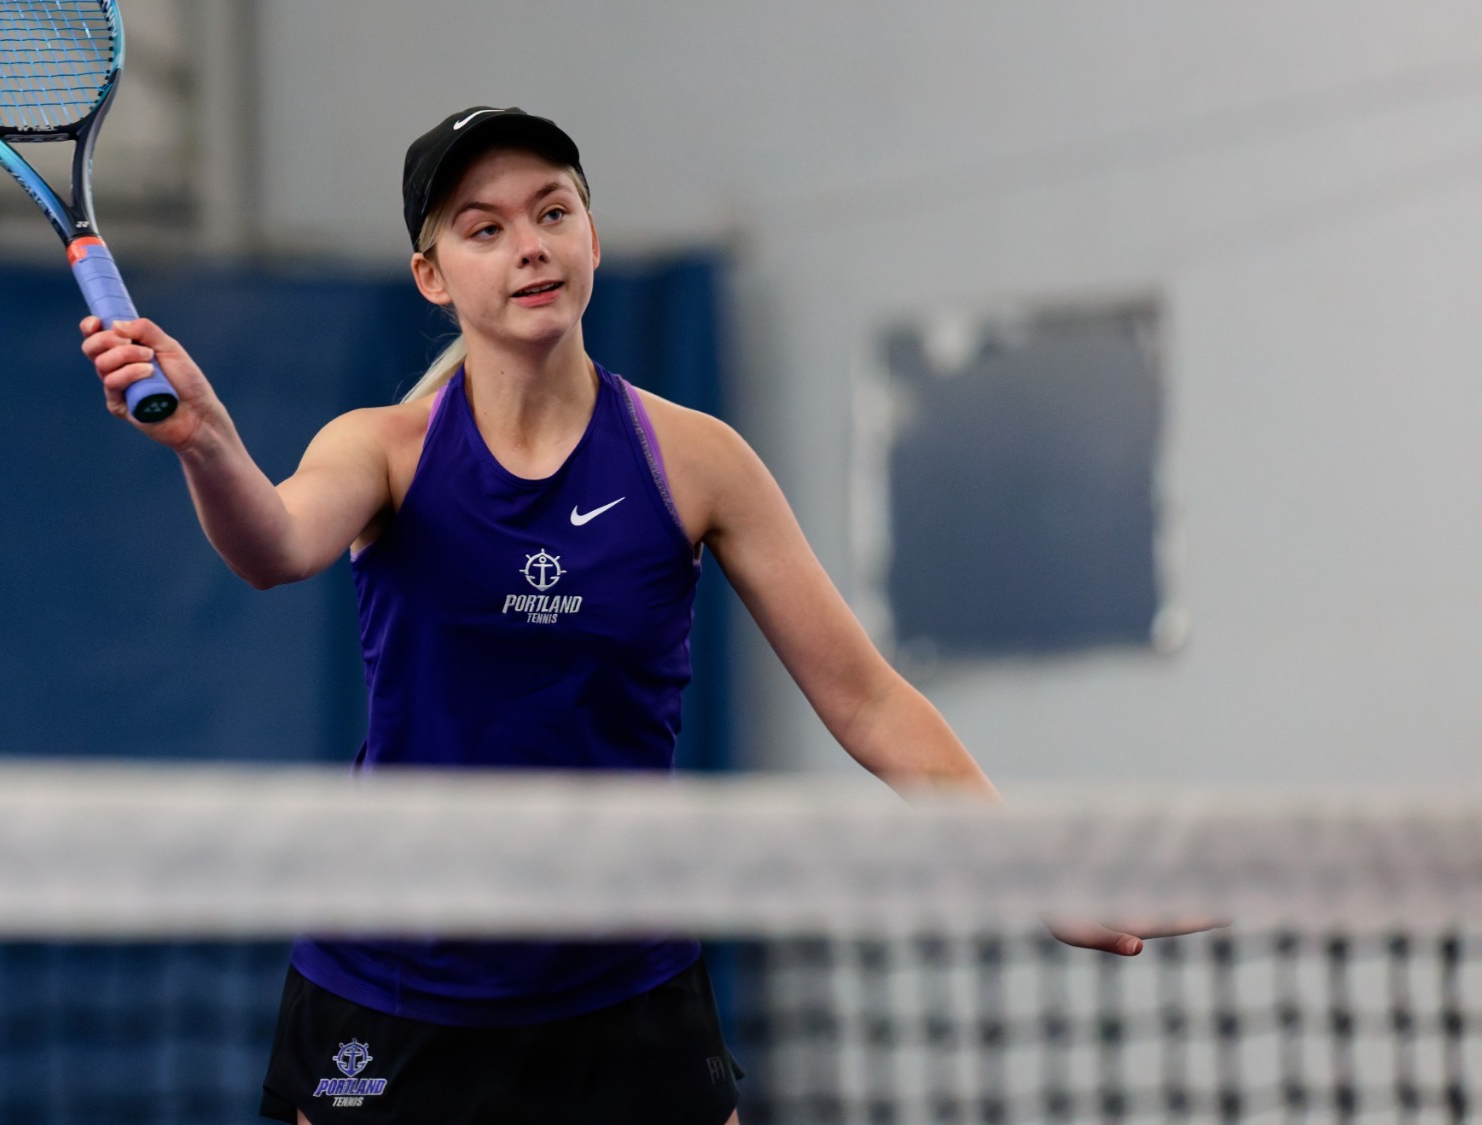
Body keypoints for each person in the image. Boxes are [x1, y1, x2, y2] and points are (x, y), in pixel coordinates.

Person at [81, 107, 1183, 1125]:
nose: (530, 245)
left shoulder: (694, 460)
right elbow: (274, 547)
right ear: (431, 275)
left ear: (591, 241)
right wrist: (211, 443)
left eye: (553, 211)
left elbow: (864, 699)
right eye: (484, 227)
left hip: (623, 990)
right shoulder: (381, 449)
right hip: (394, 986)